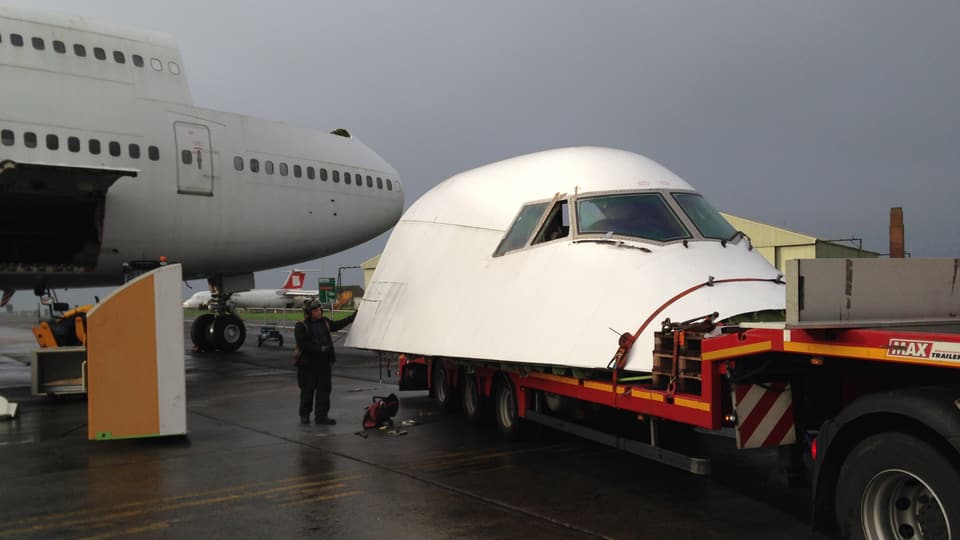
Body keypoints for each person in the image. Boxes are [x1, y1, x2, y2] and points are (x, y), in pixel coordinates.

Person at [294, 299, 356, 425]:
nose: (318, 311)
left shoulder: (325, 322)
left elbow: (338, 325)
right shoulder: (301, 326)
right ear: (308, 313)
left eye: (319, 309)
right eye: (315, 310)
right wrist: (320, 349)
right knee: (307, 391)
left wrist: (352, 317)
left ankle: (321, 417)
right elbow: (303, 344)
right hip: (307, 365)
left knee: (324, 391)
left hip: (324, 364)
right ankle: (304, 415)